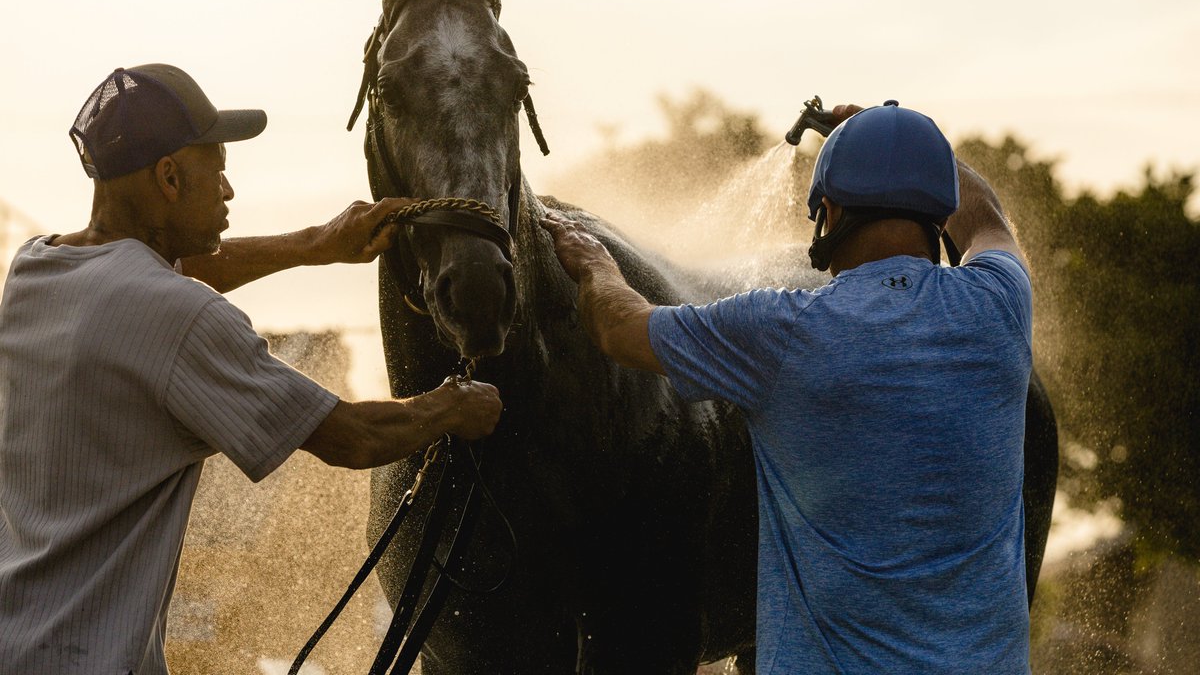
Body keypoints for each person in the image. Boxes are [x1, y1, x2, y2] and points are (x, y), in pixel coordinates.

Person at [0, 63, 502, 674]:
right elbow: (353, 436)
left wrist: (317, 244)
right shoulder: (177, 316)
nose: (230, 191)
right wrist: (453, 405)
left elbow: (152, 279)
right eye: (220, 170)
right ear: (169, 177)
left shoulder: (36, 269)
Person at [541, 100, 1033, 674]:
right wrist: (900, 138)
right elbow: (986, 216)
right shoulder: (1000, 304)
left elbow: (619, 328)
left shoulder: (783, 333)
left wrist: (594, 262)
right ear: (936, 209)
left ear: (830, 211)